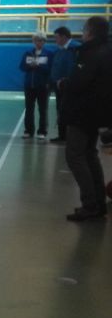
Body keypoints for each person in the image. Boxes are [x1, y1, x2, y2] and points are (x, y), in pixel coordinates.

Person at [59, 16, 112, 221]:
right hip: (96, 113)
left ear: (90, 31)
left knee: (75, 156)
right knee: (90, 155)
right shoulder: (106, 50)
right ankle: (98, 204)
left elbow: (79, 83)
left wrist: (65, 84)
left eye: (84, 29)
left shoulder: (91, 53)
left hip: (83, 113)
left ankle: (90, 205)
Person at [20, 33, 55, 140]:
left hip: (43, 86)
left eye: (41, 40)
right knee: (29, 109)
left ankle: (42, 131)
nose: (38, 42)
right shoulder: (28, 53)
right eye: (36, 40)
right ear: (33, 41)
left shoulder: (49, 54)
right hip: (29, 86)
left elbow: (51, 69)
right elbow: (22, 67)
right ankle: (28, 131)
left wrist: (39, 66)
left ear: (44, 42)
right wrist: (29, 66)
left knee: (43, 110)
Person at [49, 26, 79, 142]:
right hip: (59, 86)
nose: (55, 40)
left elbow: (75, 68)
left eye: (57, 37)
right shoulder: (60, 50)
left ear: (64, 37)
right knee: (60, 109)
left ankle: (71, 136)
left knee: (69, 110)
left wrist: (66, 80)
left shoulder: (75, 48)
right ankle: (62, 135)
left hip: (70, 86)